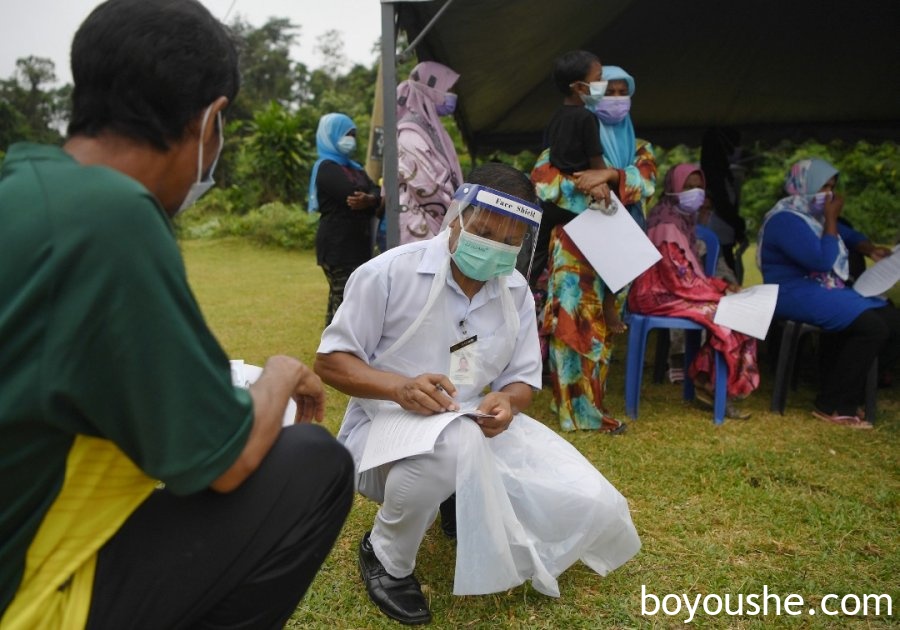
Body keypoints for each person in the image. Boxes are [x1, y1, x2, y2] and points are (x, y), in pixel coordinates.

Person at [0, 2, 354, 627]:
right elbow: (226, 462)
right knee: (313, 463)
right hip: (28, 599)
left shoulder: (23, 190)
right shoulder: (110, 216)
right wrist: (279, 371)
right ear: (211, 117)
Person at [315, 163, 640, 625]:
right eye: (485, 232)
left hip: (468, 424)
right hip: (379, 437)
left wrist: (506, 402)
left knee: (587, 498)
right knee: (454, 445)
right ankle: (385, 556)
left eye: (509, 242)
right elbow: (330, 362)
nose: (494, 249)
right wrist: (399, 388)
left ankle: (452, 494)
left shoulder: (515, 292)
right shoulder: (388, 274)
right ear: (456, 217)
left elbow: (523, 380)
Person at [758, 158, 900, 428]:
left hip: (820, 289)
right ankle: (833, 403)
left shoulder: (811, 216)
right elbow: (821, 261)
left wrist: (869, 249)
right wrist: (832, 218)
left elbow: (849, 235)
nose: (829, 194)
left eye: (832, 187)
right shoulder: (784, 219)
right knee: (872, 328)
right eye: (823, 187)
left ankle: (852, 388)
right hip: (792, 292)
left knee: (893, 321)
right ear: (802, 186)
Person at [529, 51, 627, 433]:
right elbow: (593, 164)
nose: (604, 87)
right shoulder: (586, 119)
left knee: (576, 320)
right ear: (580, 86)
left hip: (564, 234)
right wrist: (600, 181)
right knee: (580, 322)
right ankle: (582, 413)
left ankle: (573, 408)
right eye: (600, 78)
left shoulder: (555, 119)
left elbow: (552, 169)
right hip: (585, 232)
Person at [628, 164, 760, 419]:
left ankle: (707, 382)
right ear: (673, 188)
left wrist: (722, 288)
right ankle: (711, 385)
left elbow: (688, 274)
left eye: (699, 187)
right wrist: (720, 291)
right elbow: (678, 279)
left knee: (732, 312)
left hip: (672, 292)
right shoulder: (665, 222)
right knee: (727, 315)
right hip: (655, 295)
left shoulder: (681, 219)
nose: (695, 193)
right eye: (688, 187)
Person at [309, 112, 381, 326]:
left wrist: (370, 199)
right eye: (347, 134)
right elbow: (351, 194)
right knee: (345, 296)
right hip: (337, 245)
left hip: (357, 244)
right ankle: (338, 347)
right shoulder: (326, 167)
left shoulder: (355, 167)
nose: (352, 139)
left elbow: (375, 190)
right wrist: (373, 199)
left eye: (354, 135)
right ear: (331, 135)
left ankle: (331, 345)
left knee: (341, 296)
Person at [396, 61, 464, 244]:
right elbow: (425, 186)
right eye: (447, 89)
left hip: (436, 226)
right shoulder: (410, 134)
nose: (452, 96)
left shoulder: (428, 129)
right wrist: (458, 215)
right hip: (421, 230)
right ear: (429, 89)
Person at [700, 127, 748, 282]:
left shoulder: (723, 174)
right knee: (724, 279)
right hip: (717, 236)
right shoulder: (713, 174)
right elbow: (722, 206)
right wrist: (739, 225)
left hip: (724, 235)